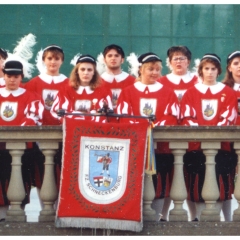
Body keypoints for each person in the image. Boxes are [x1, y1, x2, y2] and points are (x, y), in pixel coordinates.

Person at [116, 52, 179, 221]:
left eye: (158, 69)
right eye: (150, 69)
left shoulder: (168, 92)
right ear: (141, 70)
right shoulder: (127, 92)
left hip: (160, 150)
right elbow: (123, 117)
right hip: (136, 148)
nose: (154, 73)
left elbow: (172, 117)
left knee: (160, 184)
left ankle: (157, 219)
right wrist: (142, 126)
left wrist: (153, 126)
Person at [181, 53, 238, 221]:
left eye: (213, 69)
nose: (210, 72)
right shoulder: (191, 93)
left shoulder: (227, 92)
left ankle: (219, 219)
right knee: (197, 182)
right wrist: (202, 136)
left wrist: (212, 136)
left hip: (222, 147)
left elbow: (229, 117)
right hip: (195, 147)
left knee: (222, 181)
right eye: (206, 68)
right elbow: (187, 117)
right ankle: (198, 218)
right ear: (201, 71)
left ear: (219, 71)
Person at [158, 46, 199, 221]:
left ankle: (193, 216)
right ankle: (163, 215)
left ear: (189, 61)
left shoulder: (198, 81)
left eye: (182, 58)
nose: (178, 62)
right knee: (168, 178)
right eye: (174, 58)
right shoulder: (161, 82)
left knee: (190, 178)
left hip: (191, 138)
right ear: (169, 62)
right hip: (168, 138)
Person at [0, 60, 44, 221]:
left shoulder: (32, 96)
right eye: (9, 75)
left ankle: (19, 217)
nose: (12, 79)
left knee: (22, 180)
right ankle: (2, 217)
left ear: (22, 77)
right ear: (4, 76)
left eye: (16, 76)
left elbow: (33, 118)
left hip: (24, 147)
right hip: (0, 147)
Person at [51, 54, 113, 123]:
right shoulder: (66, 90)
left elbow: (106, 116)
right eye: (82, 69)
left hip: (94, 131)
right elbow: (57, 113)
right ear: (77, 71)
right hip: (71, 130)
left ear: (94, 73)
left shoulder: (103, 91)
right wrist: (89, 116)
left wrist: (76, 116)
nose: (86, 73)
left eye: (89, 70)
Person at [221, 50, 240, 221]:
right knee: (226, 179)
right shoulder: (223, 89)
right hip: (228, 140)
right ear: (229, 67)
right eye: (236, 63)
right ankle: (227, 218)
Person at [97, 44, 135, 113]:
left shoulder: (132, 81)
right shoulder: (97, 81)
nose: (113, 58)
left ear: (122, 60)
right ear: (104, 60)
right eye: (110, 56)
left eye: (117, 55)